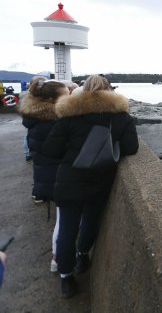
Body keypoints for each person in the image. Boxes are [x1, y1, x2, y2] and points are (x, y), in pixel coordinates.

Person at [43, 74, 138, 298]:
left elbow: (50, 150)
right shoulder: (121, 116)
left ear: (84, 90)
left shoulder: (70, 115)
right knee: (90, 221)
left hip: (69, 180)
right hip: (100, 180)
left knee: (67, 229)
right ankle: (83, 255)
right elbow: (131, 148)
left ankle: (66, 279)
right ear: (109, 91)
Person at [18, 79, 69, 272]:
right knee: (65, 224)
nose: (70, 99)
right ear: (50, 100)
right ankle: (59, 263)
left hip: (46, 178)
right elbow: (61, 150)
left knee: (63, 221)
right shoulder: (53, 122)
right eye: (66, 96)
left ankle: (59, 262)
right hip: (59, 178)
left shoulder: (36, 120)